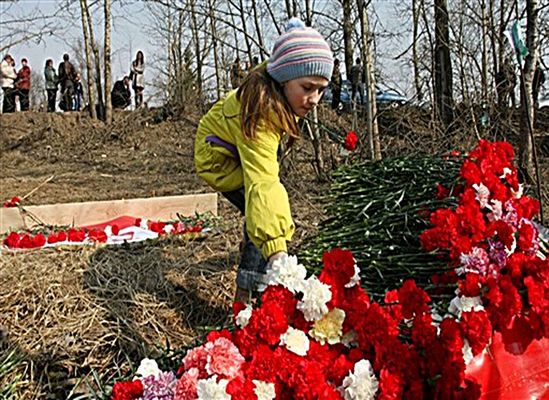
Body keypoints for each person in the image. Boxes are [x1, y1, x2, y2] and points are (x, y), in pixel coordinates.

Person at [194, 18, 333, 302]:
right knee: (261, 210)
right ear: (283, 79)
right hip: (219, 158)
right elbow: (263, 184)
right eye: (307, 87)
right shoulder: (259, 112)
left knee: (260, 213)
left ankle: (252, 283)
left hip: (233, 149)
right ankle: (247, 295)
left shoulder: (278, 96)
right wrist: (279, 256)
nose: (315, 98)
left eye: (321, 89)